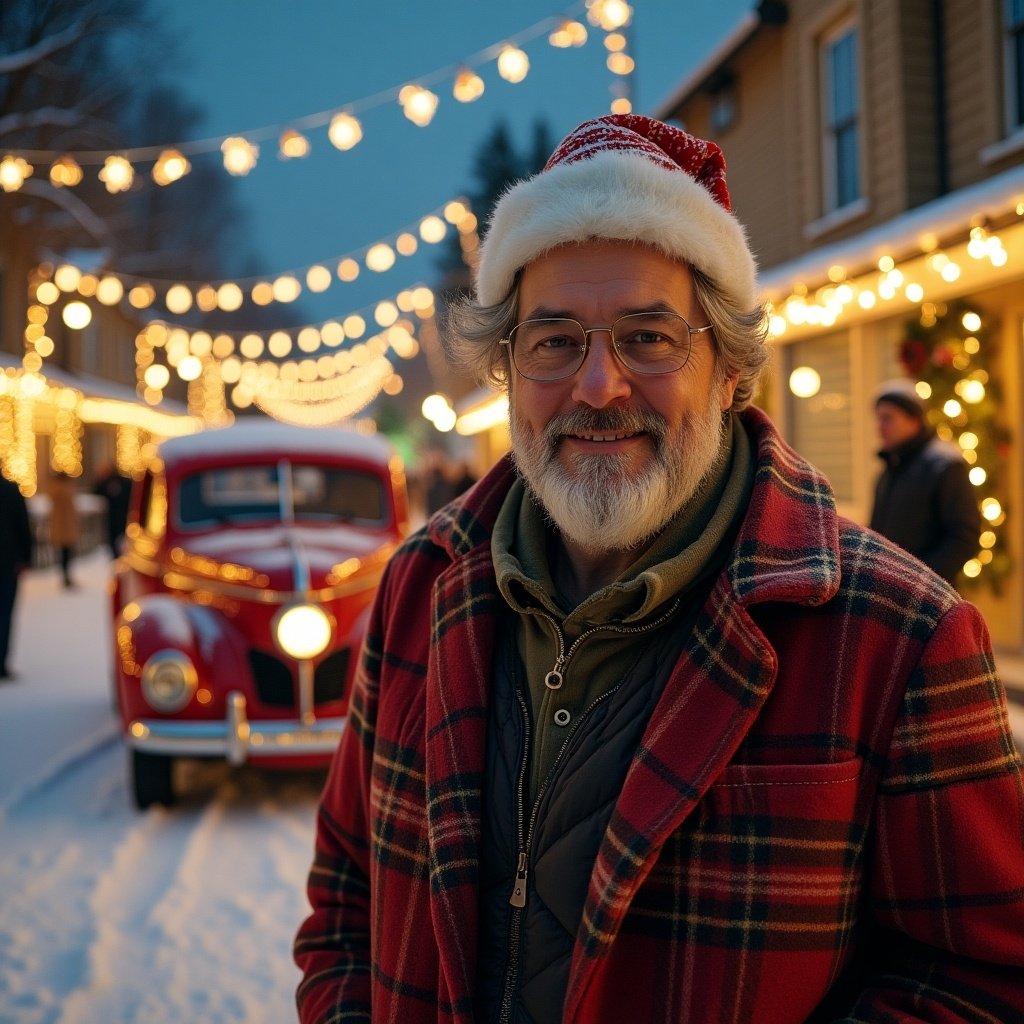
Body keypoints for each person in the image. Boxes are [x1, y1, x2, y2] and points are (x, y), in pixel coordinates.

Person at [295, 115, 1024, 1022]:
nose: (597, 387)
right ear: (510, 372)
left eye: (647, 337)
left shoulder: (896, 635)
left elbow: (986, 978)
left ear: (727, 368)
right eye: (554, 341)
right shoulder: (422, 586)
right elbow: (347, 898)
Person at [869, 379, 980, 585]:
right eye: (878, 419)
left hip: (929, 600)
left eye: (887, 419)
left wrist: (919, 581)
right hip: (889, 592)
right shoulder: (891, 467)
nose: (879, 427)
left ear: (914, 420)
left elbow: (964, 538)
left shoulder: (945, 465)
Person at [0, 473, 33, 680]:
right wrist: (26, 558)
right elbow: (23, 525)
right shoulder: (10, 490)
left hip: (8, 560)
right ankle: (1, 662)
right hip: (7, 561)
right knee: (4, 614)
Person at [92, 461, 133, 557]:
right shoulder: (104, 483)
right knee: (113, 541)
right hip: (112, 518)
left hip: (125, 517)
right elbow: (96, 494)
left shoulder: (125, 482)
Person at [48, 470, 79, 588]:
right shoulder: (59, 489)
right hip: (62, 526)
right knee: (64, 553)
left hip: (67, 526)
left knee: (68, 553)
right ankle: (65, 576)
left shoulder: (64, 488)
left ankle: (67, 576)